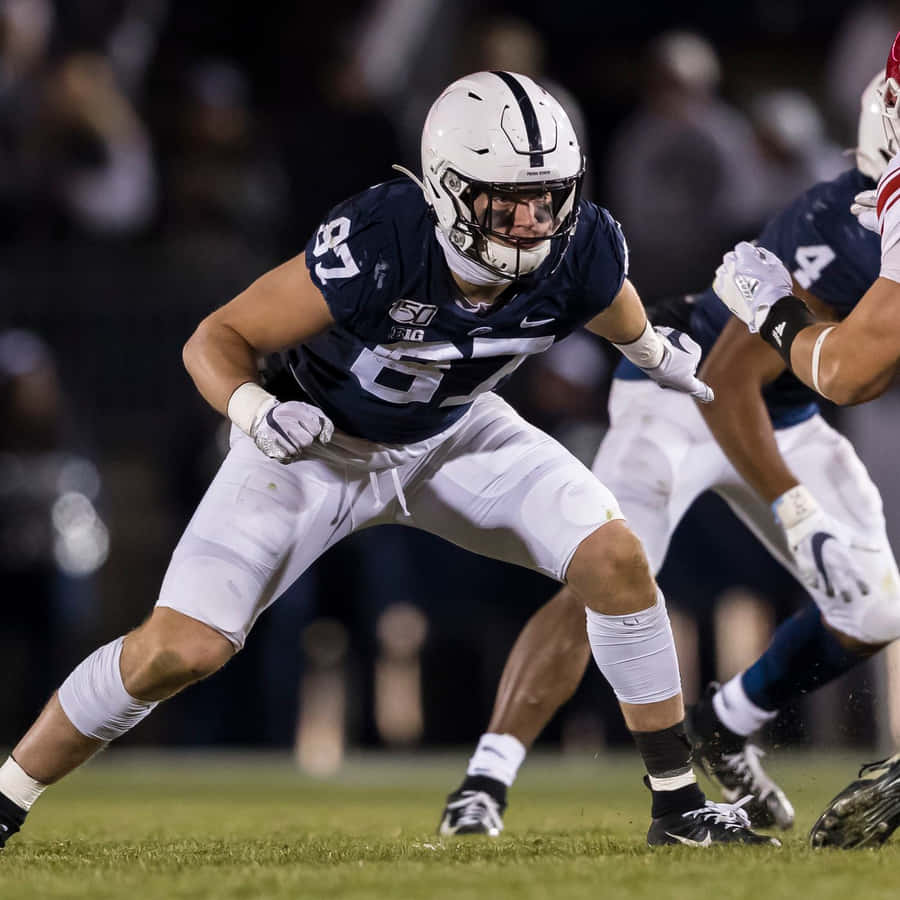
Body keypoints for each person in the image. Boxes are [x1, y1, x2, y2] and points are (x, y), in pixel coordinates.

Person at [0, 71, 774, 851]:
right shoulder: (382, 239)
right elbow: (214, 338)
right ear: (445, 189)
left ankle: (676, 805)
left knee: (616, 560)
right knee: (179, 650)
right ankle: (7, 794)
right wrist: (255, 410)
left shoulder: (583, 244)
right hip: (314, 447)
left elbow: (608, 296)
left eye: (548, 198)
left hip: (453, 435)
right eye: (505, 201)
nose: (532, 222)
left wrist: (648, 348)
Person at [443, 67, 900, 846]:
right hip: (685, 394)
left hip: (788, 412)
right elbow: (730, 379)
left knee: (876, 605)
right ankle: (484, 780)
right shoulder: (842, 228)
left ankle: (726, 726)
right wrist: (794, 508)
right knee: (610, 577)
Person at [712, 39, 900, 850]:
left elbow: (852, 372)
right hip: (702, 401)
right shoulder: (836, 213)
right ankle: (720, 728)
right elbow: (729, 378)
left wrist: (773, 309)